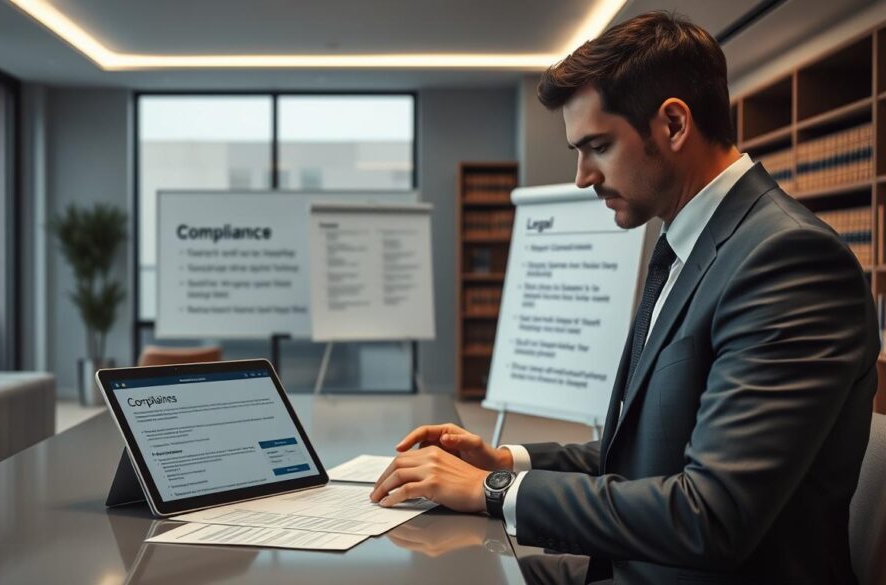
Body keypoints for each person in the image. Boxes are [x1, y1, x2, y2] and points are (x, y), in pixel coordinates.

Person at [370, 11, 879, 585]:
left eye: (598, 146)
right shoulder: (691, 245)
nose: (583, 176)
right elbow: (650, 455)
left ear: (674, 125)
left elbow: (709, 517)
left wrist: (492, 491)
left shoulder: (788, 263)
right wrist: (506, 461)